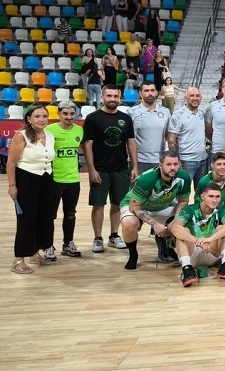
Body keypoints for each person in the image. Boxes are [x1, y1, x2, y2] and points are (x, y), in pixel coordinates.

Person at [83, 85, 138, 253]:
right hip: (100, 169)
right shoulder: (93, 118)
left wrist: (134, 166)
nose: (112, 99)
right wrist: (91, 169)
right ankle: (97, 238)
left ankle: (114, 236)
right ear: (102, 97)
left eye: (115, 96)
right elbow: (87, 145)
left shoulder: (126, 119)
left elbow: (131, 143)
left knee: (118, 203)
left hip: (121, 168)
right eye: (109, 96)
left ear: (119, 98)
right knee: (98, 204)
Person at [7, 105, 58, 274]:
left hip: (46, 179)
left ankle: (35, 253)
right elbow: (11, 163)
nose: (41, 119)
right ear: (29, 118)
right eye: (37, 116)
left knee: (44, 217)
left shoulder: (50, 136)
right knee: (26, 219)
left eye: (44, 116)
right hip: (26, 179)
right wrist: (12, 185)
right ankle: (18, 259)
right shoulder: (21, 136)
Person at [119, 150, 191, 270]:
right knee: (129, 224)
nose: (172, 168)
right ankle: (133, 255)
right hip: (137, 206)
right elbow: (134, 207)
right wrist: (155, 224)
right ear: (160, 165)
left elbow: (183, 202)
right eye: (169, 164)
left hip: (163, 205)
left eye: (175, 164)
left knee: (185, 218)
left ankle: (168, 244)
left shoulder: (183, 176)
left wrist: (176, 220)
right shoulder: (147, 179)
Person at [171, 183, 225, 287]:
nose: (214, 200)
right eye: (211, 196)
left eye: (217, 197)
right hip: (192, 251)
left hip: (211, 251)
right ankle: (187, 270)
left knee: (222, 229)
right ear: (202, 196)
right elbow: (175, 228)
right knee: (182, 231)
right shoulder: (190, 210)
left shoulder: (221, 210)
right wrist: (196, 241)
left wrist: (210, 239)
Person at [46, 101, 84, 258]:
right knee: (50, 215)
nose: (69, 117)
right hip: (54, 180)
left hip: (73, 180)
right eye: (65, 114)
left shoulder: (80, 130)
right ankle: (48, 245)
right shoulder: (49, 130)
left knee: (70, 214)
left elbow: (84, 149)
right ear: (58, 114)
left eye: (72, 114)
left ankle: (68, 243)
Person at [166, 87, 207, 188]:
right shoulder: (178, 115)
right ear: (185, 98)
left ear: (201, 98)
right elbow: (171, 140)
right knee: (183, 193)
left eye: (197, 96)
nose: (195, 98)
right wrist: (176, 160)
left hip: (203, 160)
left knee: (202, 192)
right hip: (186, 161)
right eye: (191, 96)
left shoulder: (201, 114)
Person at [127, 80, 170, 174]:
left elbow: (168, 135)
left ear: (156, 92)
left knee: (159, 189)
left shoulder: (166, 112)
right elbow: (129, 139)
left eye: (152, 90)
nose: (150, 93)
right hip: (139, 161)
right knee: (137, 188)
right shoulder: (132, 112)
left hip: (159, 161)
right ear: (140, 93)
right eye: (146, 91)